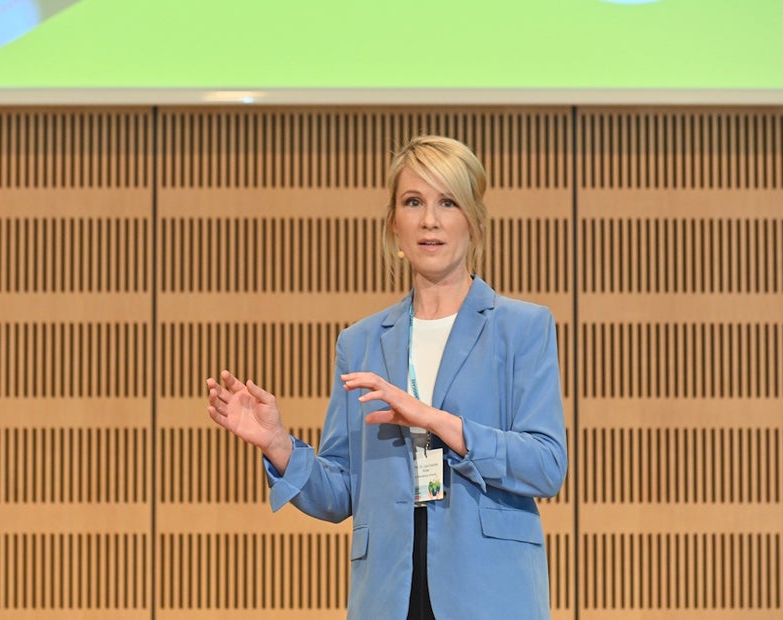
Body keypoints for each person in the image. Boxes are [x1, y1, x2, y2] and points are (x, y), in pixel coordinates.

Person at [207, 135, 567, 619]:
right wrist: (279, 446)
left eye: (448, 202)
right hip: (389, 595)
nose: (429, 220)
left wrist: (437, 421)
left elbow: (546, 464)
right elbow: (341, 494)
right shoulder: (360, 342)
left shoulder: (522, 327)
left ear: (474, 222)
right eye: (413, 202)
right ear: (394, 226)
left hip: (490, 592)